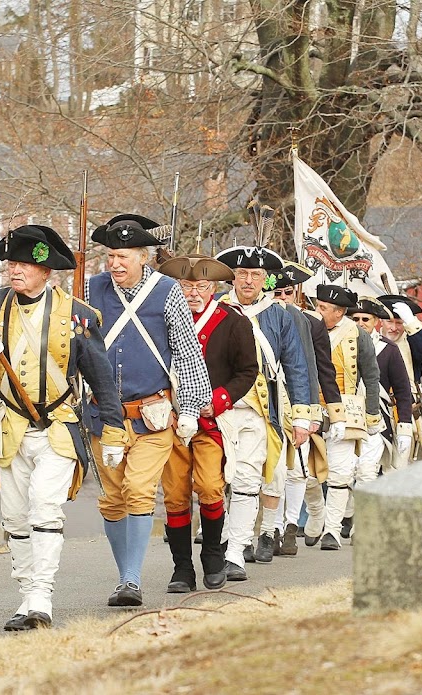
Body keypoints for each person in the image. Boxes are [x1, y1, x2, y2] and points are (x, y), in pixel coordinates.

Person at [0, 225, 128, 631]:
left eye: (24, 264)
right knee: (15, 517)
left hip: (58, 427)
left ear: (46, 271)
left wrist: (115, 429)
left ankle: (41, 599)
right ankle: (25, 594)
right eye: (11, 263)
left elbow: (101, 377)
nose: (15, 270)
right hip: (9, 428)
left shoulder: (80, 315)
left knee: (44, 508)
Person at [86, 214, 213, 607]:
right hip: (103, 415)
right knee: (112, 499)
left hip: (153, 413)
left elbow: (187, 350)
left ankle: (131, 579)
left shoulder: (167, 291)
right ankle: (125, 576)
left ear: (144, 256)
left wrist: (189, 408)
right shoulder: (91, 289)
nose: (115, 264)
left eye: (123, 256)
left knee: (140, 492)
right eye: (110, 256)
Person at [157, 254, 258, 592]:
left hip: (210, 422)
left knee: (212, 488)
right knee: (174, 495)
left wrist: (217, 402)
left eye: (201, 286)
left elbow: (247, 371)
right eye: (186, 286)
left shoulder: (232, 321)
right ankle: (181, 569)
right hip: (171, 421)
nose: (193, 293)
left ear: (213, 288)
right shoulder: (163, 318)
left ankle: (213, 555)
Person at [214, 245, 313, 580]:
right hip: (219, 409)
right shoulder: (217, 309)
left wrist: (301, 416)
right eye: (242, 274)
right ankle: (227, 538)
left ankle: (236, 552)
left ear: (265, 280)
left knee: (248, 480)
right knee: (217, 481)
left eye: (255, 275)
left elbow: (297, 366)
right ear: (233, 277)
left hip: (260, 409)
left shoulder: (280, 315)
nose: (248, 280)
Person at [269, 261, 343, 557]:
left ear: (296, 292)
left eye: (287, 291)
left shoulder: (312, 323)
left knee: (298, 468)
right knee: (272, 467)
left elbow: (323, 368)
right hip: (270, 396)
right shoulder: (258, 317)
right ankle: (270, 527)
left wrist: (333, 412)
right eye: (276, 291)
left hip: (300, 397)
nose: (282, 297)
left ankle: (289, 525)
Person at [305, 285, 381, 550]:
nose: (318, 311)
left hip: (347, 409)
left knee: (340, 472)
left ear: (339, 312)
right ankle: (317, 514)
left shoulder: (358, 335)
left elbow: (371, 376)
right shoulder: (308, 326)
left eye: (323, 308)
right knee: (306, 474)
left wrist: (372, 415)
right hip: (310, 407)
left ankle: (333, 531)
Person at [341, 297, 413, 537]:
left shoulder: (388, 349)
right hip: (344, 416)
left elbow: (403, 392)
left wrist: (404, 427)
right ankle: (343, 516)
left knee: (367, 471)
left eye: (365, 319)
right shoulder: (338, 343)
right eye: (355, 318)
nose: (360, 323)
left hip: (376, 418)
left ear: (375, 322)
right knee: (344, 471)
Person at [376, 294, 422, 460]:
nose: (393, 328)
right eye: (389, 321)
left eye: (399, 323)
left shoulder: (412, 342)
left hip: (404, 411)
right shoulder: (370, 341)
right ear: (381, 321)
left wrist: (411, 321)